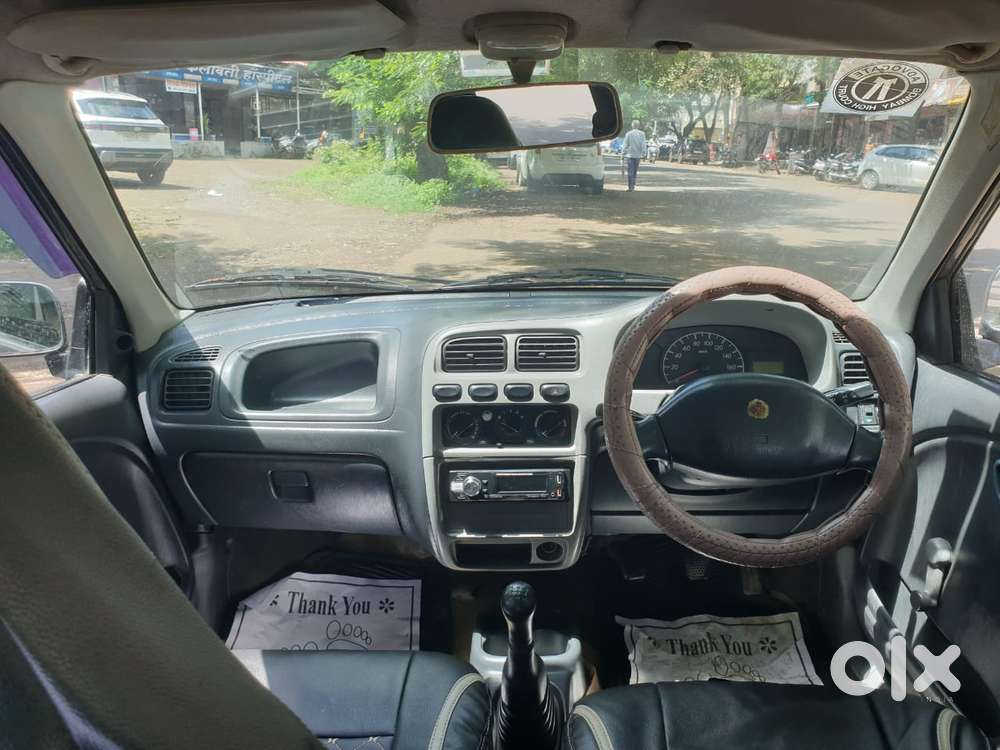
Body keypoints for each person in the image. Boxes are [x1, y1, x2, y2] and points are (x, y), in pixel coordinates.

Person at [621, 120, 646, 191]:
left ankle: (630, 187)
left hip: (630, 155)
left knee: (630, 172)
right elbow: (643, 144)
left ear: (632, 125)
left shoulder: (628, 134)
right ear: (638, 126)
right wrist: (644, 153)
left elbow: (625, 145)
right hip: (638, 156)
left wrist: (622, 154)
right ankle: (633, 186)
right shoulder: (642, 134)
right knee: (634, 172)